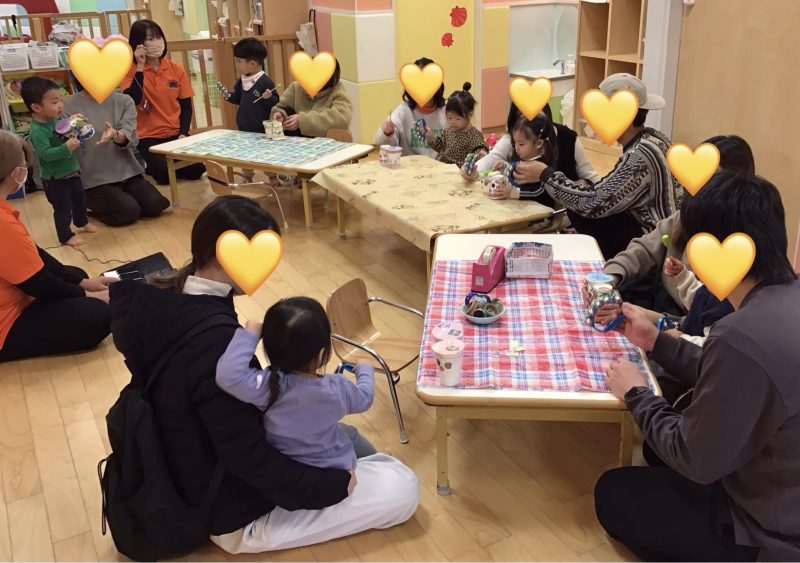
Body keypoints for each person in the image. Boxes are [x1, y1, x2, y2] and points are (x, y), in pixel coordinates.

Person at [109, 195, 418, 554]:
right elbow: (247, 457)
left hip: (188, 466)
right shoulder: (214, 347)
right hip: (230, 510)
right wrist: (330, 488)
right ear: (224, 255)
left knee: (341, 433)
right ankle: (364, 477)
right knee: (403, 486)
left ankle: (363, 473)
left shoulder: (167, 297)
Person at [595, 171, 800, 561]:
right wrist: (657, 342)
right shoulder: (784, 297)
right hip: (776, 485)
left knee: (613, 492)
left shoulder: (740, 333)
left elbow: (695, 458)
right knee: (656, 449)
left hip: (770, 532)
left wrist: (636, 394)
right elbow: (732, 377)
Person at [513, 73, 684, 259]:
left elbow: (593, 203)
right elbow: (612, 191)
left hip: (656, 245)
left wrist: (545, 174)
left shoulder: (639, 155)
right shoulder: (655, 138)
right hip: (667, 234)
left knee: (579, 206)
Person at [216, 297, 374, 471]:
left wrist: (250, 334)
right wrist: (365, 368)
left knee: (348, 433)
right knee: (352, 434)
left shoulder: (267, 387)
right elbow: (365, 397)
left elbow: (228, 375)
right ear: (322, 354)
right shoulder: (338, 388)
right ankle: (378, 461)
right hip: (336, 465)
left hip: (289, 464)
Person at [603, 135, 756, 313]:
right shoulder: (684, 217)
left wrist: (656, 320)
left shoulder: (739, 245)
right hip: (662, 306)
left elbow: (713, 320)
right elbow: (644, 248)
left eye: (713, 179)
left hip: (689, 322)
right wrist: (611, 276)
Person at [0, 130, 113, 362]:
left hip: (17, 295)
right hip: (6, 321)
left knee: (76, 274)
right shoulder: (2, 223)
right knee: (97, 315)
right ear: (15, 173)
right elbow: (38, 283)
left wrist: (82, 284)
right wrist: (87, 295)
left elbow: (35, 254)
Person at [64, 75, 169, 226]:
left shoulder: (124, 101)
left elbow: (131, 138)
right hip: (93, 179)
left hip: (127, 172)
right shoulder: (68, 105)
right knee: (128, 212)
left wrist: (116, 135)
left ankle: (121, 198)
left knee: (155, 204)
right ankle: (88, 206)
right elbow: (63, 140)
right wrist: (71, 128)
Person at [121, 19, 206, 185]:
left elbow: (186, 106)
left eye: (159, 37)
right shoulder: (129, 70)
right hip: (148, 136)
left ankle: (169, 160)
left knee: (197, 171)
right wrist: (140, 66)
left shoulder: (175, 68)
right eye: (150, 39)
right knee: (164, 176)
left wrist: (183, 133)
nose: (157, 42)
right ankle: (157, 163)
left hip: (175, 133)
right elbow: (133, 99)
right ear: (138, 43)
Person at [22, 76, 96, 247]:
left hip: (72, 171)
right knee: (63, 208)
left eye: (61, 100)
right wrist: (66, 147)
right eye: (55, 102)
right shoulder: (38, 131)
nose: (60, 105)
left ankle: (82, 221)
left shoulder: (55, 119)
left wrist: (75, 122)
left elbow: (65, 129)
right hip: (55, 179)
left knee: (80, 200)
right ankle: (65, 236)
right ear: (36, 107)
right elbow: (45, 154)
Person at [465, 101, 600, 184]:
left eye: (536, 114)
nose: (531, 121)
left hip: (559, 212)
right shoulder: (514, 138)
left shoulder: (568, 138)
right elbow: (492, 159)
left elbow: (591, 178)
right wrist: (472, 171)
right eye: (523, 117)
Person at [221, 38, 278, 182]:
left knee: (267, 154)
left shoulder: (265, 81)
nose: (237, 64)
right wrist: (227, 95)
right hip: (244, 126)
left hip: (262, 128)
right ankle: (247, 176)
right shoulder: (241, 81)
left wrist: (269, 97)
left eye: (239, 61)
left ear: (252, 63)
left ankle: (272, 176)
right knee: (245, 153)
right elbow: (237, 98)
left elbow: (276, 104)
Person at [374, 56, 448, 158]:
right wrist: (386, 133)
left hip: (441, 165)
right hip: (410, 166)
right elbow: (381, 145)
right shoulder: (403, 111)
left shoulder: (447, 111)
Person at [270, 58, 352, 138]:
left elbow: (342, 119)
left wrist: (302, 121)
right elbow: (281, 106)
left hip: (325, 141)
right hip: (295, 140)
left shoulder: (337, 90)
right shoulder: (296, 87)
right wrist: (280, 114)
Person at [424, 82, 487, 167]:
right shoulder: (448, 131)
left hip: (460, 171)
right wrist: (431, 137)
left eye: (457, 119)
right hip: (443, 168)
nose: (453, 122)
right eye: (449, 118)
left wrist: (481, 154)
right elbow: (440, 146)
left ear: (469, 114)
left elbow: (480, 149)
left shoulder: (474, 134)